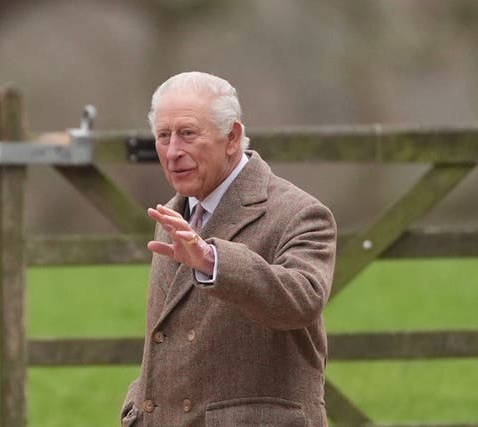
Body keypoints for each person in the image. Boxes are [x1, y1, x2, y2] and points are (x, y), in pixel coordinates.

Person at [121, 71, 337, 427]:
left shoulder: (299, 213)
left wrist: (213, 261)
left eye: (188, 134)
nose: (173, 151)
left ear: (232, 137)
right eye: (163, 136)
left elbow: (304, 299)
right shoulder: (173, 214)